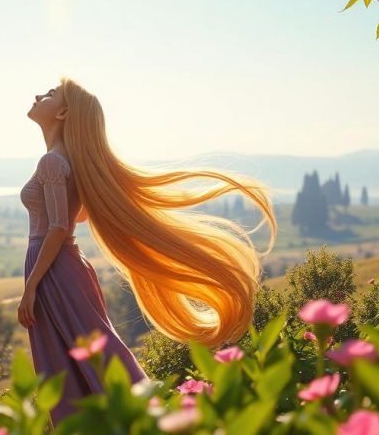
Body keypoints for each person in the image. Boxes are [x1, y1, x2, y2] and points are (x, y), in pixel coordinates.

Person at [18, 76, 278, 426]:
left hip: (52, 269)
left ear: (63, 112)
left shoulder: (52, 162)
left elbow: (59, 227)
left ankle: (136, 421)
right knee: (88, 357)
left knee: (68, 364)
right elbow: (74, 216)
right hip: (64, 266)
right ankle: (137, 420)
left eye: (50, 93)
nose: (39, 94)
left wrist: (32, 285)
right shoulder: (68, 161)